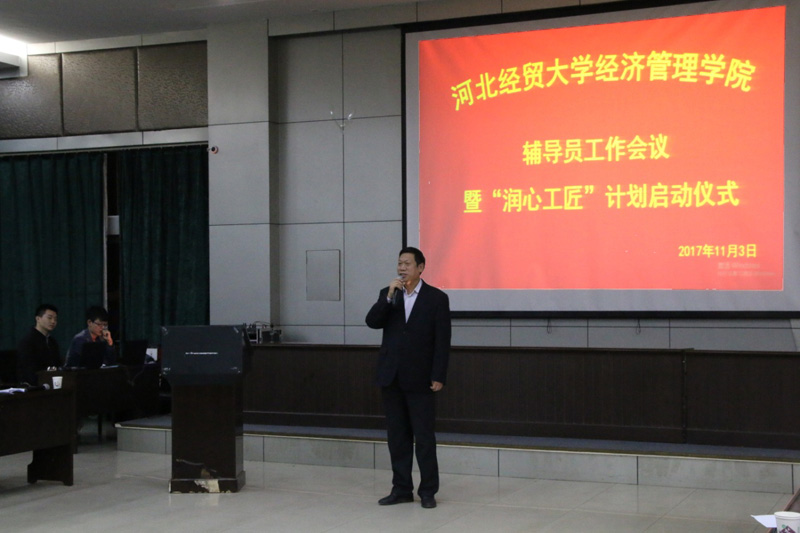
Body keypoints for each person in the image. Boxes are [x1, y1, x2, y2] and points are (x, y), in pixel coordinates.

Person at [365, 246, 451, 509]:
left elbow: (442, 340)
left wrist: (438, 375)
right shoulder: (389, 294)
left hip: (421, 378)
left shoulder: (436, 298)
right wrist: (388, 297)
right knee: (397, 437)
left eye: (407, 264)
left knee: (424, 438)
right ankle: (401, 489)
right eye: (399, 263)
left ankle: (428, 491)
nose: (402, 268)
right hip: (391, 377)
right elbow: (372, 322)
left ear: (421, 267)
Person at [16, 304, 62, 386]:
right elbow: (27, 370)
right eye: (49, 318)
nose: (53, 321)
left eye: (55, 319)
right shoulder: (28, 341)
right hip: (35, 385)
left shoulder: (52, 342)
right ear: (38, 319)